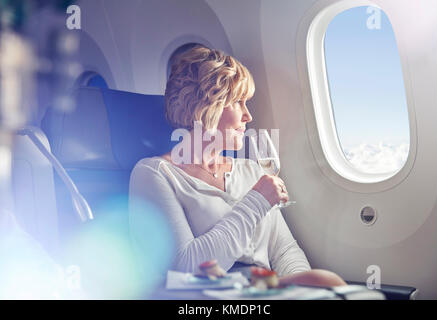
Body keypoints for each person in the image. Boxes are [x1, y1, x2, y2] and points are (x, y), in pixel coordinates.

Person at [129, 45, 346, 287]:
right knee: (328, 281)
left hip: (265, 288)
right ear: (203, 107)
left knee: (325, 284)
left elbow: (284, 250)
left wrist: (301, 291)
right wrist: (257, 201)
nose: (248, 116)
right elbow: (184, 269)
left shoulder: (250, 170)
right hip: (213, 293)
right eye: (238, 102)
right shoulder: (154, 174)